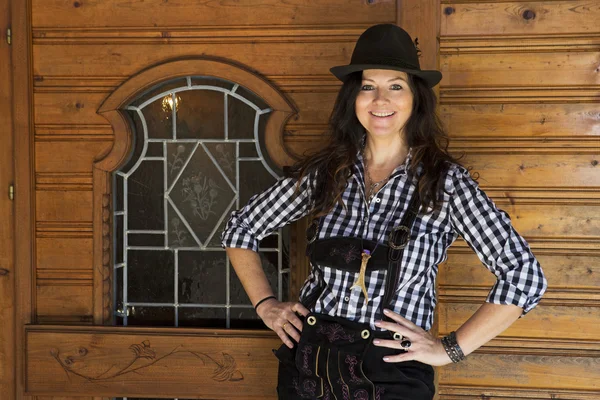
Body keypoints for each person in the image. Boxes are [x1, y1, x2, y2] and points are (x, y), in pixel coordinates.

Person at [221, 24, 547, 400]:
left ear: (415, 98)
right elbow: (240, 229)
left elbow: (524, 277)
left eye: (395, 86)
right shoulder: (326, 172)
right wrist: (267, 306)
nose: (380, 99)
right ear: (353, 97)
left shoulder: (446, 184)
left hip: (392, 372)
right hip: (307, 364)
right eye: (367, 86)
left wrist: (449, 349)